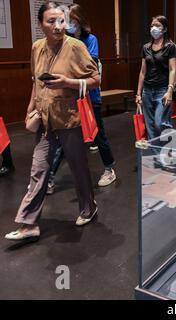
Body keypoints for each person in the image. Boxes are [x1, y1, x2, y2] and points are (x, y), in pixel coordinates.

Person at [5, 2, 100, 241]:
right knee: (38, 170)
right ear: (41, 25)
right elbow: (35, 83)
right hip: (46, 121)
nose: (58, 26)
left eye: (61, 21)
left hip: (70, 121)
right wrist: (30, 110)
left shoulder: (76, 46)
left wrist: (68, 82)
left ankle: (89, 208)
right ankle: (29, 224)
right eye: (51, 21)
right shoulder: (37, 47)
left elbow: (95, 79)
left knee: (79, 169)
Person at [46, 3, 117, 194]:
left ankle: (109, 168)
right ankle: (50, 176)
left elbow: (89, 66)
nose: (66, 24)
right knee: (63, 137)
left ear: (79, 20)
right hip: (69, 97)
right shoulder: (63, 41)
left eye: (69, 20)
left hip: (89, 95)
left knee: (97, 133)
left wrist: (69, 72)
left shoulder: (90, 39)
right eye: (64, 20)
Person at [136, 15, 176, 142]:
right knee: (150, 127)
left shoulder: (170, 46)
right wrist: (138, 93)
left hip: (162, 90)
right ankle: (157, 158)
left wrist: (170, 90)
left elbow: (173, 69)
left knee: (160, 123)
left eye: (157, 25)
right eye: (152, 25)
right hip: (147, 91)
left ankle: (166, 149)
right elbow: (142, 71)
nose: (154, 28)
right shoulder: (146, 47)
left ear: (164, 29)